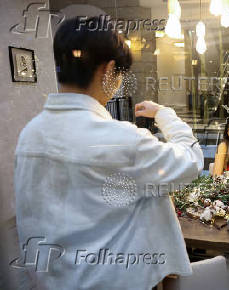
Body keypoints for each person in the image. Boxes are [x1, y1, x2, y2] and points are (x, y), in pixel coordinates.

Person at [14, 17, 203, 290]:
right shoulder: (122, 140)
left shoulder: (29, 135)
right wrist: (164, 114)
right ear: (109, 70)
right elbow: (190, 161)